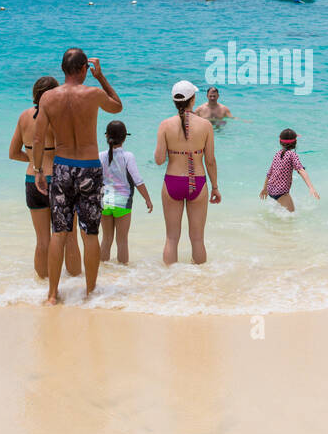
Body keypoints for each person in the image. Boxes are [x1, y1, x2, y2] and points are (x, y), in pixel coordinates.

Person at [32, 48, 122, 304]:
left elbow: (38, 138)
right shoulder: (93, 93)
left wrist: (39, 170)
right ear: (84, 69)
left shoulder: (48, 98)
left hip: (61, 167)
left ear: (62, 69)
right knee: (90, 233)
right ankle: (90, 293)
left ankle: (51, 295)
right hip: (89, 168)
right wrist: (101, 78)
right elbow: (117, 107)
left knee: (59, 232)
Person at [8, 76, 80, 281]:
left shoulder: (24, 116)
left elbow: (13, 153)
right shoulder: (59, 118)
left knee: (42, 240)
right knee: (70, 237)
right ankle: (77, 288)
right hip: (59, 179)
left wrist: (32, 159)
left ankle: (42, 288)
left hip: (32, 180)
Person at [154, 81, 220, 264]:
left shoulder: (165, 125)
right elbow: (210, 161)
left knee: (171, 238)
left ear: (174, 102)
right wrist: (215, 187)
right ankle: (199, 285)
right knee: (198, 239)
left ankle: (171, 284)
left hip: (173, 182)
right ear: (193, 99)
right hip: (197, 182)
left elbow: (159, 160)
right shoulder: (206, 125)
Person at [99, 120, 153, 264]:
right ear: (124, 137)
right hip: (123, 202)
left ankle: (102, 271)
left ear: (106, 136)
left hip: (105, 201)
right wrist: (147, 199)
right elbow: (137, 180)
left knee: (106, 239)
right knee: (122, 241)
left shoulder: (100, 156)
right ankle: (123, 274)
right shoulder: (128, 156)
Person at [260, 129, 319, 212]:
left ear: (280, 142)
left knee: (280, 212)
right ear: (295, 143)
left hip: (271, 189)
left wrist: (264, 189)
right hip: (281, 193)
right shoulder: (292, 155)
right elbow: (301, 170)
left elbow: (269, 173)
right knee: (291, 215)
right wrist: (311, 188)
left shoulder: (277, 154)